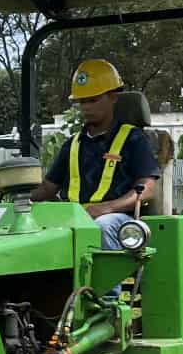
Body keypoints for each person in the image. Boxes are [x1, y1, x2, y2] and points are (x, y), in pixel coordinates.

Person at [29, 58, 160, 249]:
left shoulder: (134, 139)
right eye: (82, 101)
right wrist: (20, 196)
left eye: (93, 100)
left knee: (102, 226)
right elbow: (48, 188)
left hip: (118, 218)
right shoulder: (72, 144)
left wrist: (106, 208)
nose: (86, 107)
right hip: (74, 217)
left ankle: (110, 270)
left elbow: (147, 189)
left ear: (113, 97)